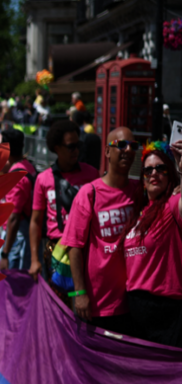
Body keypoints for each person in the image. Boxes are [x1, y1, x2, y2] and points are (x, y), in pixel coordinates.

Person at [60, 127, 139, 333]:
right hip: (95, 306)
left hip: (131, 303)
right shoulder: (89, 193)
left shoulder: (139, 192)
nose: (127, 151)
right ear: (106, 152)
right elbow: (73, 246)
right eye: (121, 145)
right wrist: (80, 293)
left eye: (133, 146)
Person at [122, 141, 182, 346]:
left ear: (170, 173)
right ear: (143, 179)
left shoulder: (172, 204)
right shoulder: (139, 213)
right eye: (148, 170)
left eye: (161, 168)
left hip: (166, 312)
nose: (154, 173)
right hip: (136, 309)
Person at [29, 120, 98, 283]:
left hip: (86, 249)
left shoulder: (92, 174)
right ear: (56, 148)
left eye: (78, 145)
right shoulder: (43, 179)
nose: (76, 150)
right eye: (70, 146)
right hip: (55, 252)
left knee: (85, 302)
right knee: (58, 306)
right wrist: (34, 259)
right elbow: (35, 221)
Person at [0, 129, 37, 272]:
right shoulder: (28, 166)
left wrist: (5, 253)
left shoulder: (17, 177)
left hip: (17, 239)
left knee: (14, 283)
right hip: (23, 234)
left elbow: (14, 218)